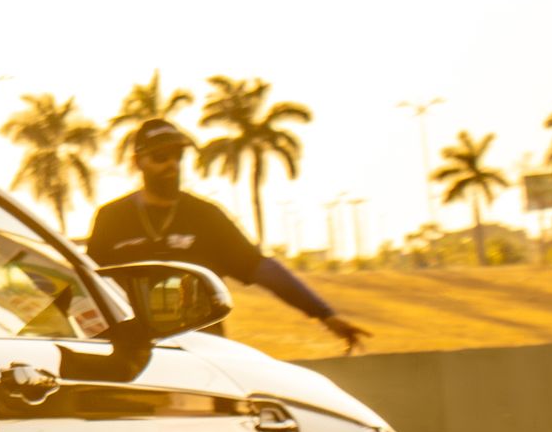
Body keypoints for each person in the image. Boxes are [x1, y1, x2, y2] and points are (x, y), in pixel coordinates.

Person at [84, 118, 373, 352]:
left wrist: (324, 313)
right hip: (132, 356)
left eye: (178, 155)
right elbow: (85, 283)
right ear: (138, 162)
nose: (172, 164)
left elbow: (261, 268)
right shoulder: (111, 218)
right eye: (161, 156)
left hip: (204, 351)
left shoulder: (206, 216)